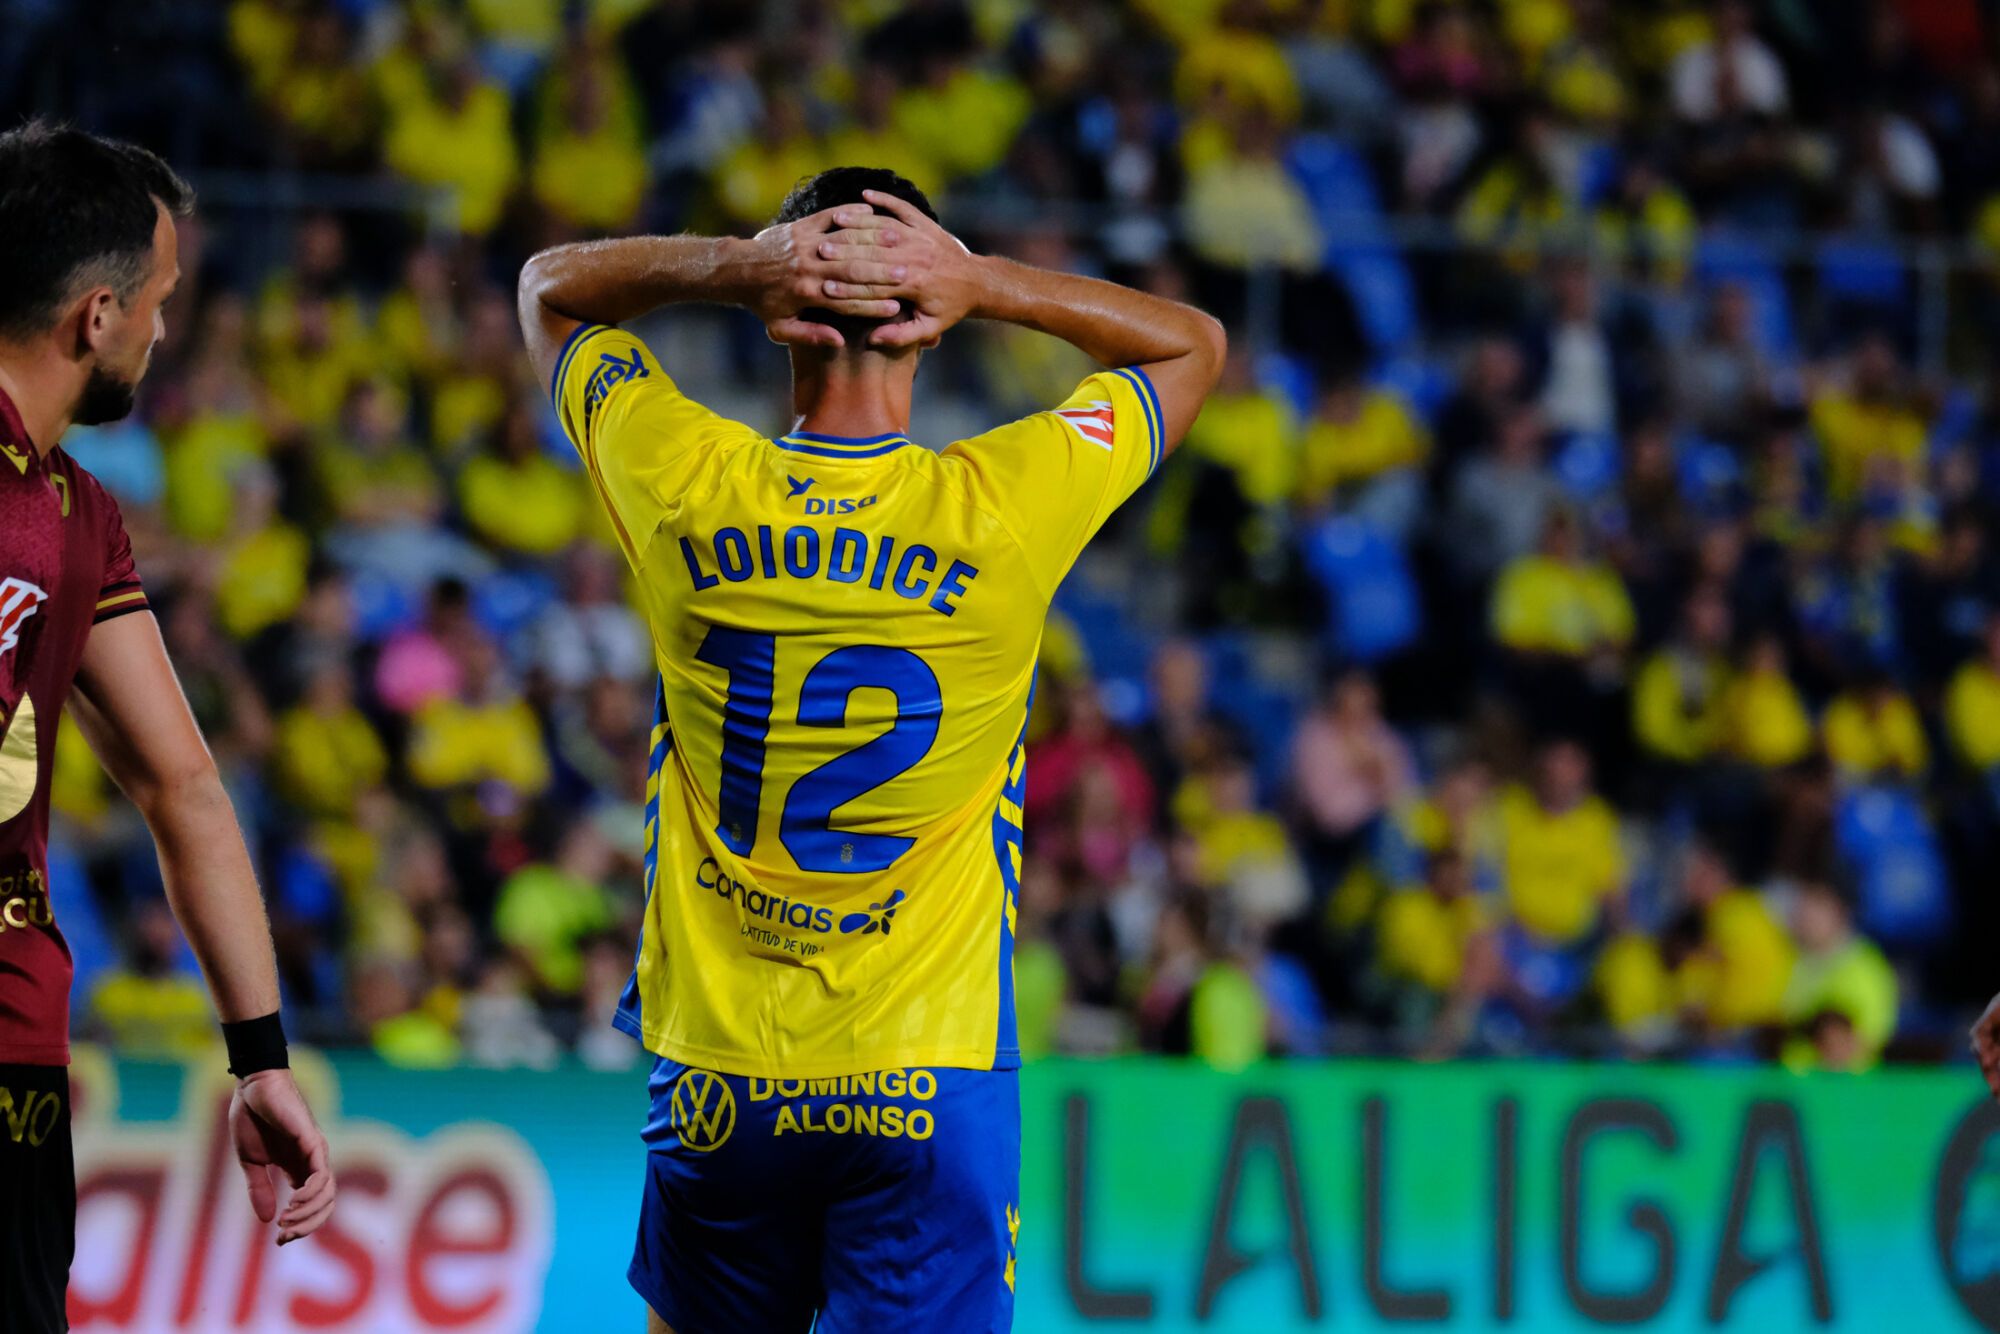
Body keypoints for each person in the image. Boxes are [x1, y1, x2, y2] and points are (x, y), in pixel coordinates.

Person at [518, 166, 1225, 1333]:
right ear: (924, 319)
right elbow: (1187, 345)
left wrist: (736, 267)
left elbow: (550, 292)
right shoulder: (1001, 504)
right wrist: (982, 281)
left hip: (720, 1073)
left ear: (785, 312)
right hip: (925, 1071)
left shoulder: (683, 480)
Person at [0, 121, 335, 1331]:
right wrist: (260, 1060)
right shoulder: (63, 512)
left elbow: (186, 785)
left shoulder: (84, 515)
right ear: (96, 315)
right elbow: (181, 785)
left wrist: (261, 1060)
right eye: (160, 301)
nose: (161, 328)